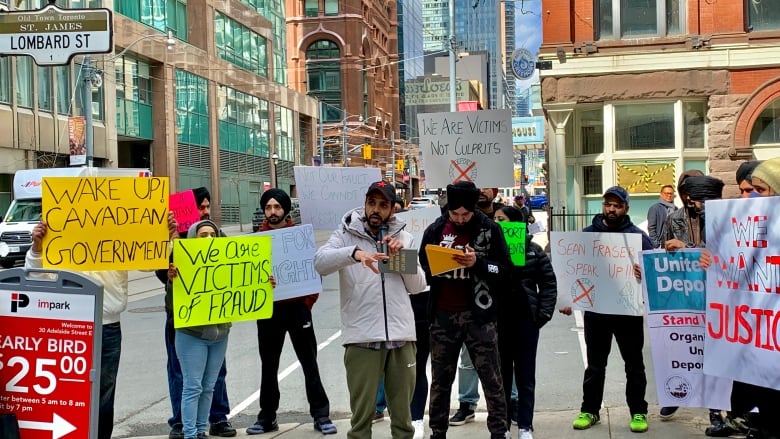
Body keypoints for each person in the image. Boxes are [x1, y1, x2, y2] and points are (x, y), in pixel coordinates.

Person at [26, 214, 178, 439]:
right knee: (67, 393)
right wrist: (37, 248)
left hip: (108, 326)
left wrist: (163, 237)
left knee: (104, 396)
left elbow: (150, 262)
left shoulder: (117, 231)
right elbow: (37, 276)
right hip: (70, 326)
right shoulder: (62, 232)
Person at [314, 180, 427, 439]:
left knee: (403, 422)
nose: (376, 209)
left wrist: (400, 258)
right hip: (362, 338)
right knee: (361, 422)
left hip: (401, 338)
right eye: (371, 203)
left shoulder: (404, 237)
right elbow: (320, 262)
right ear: (365, 204)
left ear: (392, 210)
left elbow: (418, 286)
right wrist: (354, 254)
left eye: (383, 205)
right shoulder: (344, 234)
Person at [419, 181, 512, 439]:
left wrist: (478, 263)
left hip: (479, 316)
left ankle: (498, 431)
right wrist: (438, 265)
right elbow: (423, 261)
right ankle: (438, 431)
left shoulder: (489, 229)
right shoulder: (436, 229)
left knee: (492, 378)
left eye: (465, 214)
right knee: (440, 380)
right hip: (442, 315)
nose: (460, 219)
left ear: (473, 210)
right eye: (455, 214)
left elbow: (504, 270)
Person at [247, 188, 336, 435]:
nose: (272, 212)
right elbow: (246, 280)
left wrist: (307, 302)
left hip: (298, 309)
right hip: (269, 312)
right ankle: (267, 416)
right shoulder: (254, 240)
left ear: (286, 209)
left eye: (277, 207)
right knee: (268, 367)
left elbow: (314, 271)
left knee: (310, 364)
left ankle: (321, 415)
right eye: (268, 207)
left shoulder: (300, 237)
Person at [566, 186, 653, 434]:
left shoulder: (638, 237)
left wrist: (642, 273)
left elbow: (653, 271)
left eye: (617, 205)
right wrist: (567, 299)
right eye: (608, 204)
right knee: (595, 366)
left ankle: (638, 412)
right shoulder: (587, 235)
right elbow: (574, 270)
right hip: (597, 312)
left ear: (626, 208)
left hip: (628, 312)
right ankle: (590, 410)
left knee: (634, 365)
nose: (611, 209)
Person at [156, 187, 235, 439]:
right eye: (203, 235)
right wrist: (171, 272)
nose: (208, 238)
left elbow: (242, 282)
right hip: (189, 331)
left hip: (219, 332)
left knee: (209, 384)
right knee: (191, 384)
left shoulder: (226, 258)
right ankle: (187, 430)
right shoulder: (179, 254)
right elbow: (170, 291)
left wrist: (263, 282)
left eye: (212, 234)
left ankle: (202, 429)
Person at [659, 176, 733, 437]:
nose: (692, 202)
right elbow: (663, 252)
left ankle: (717, 412)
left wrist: (688, 247)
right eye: (688, 196)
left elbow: (727, 254)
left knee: (715, 356)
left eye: (699, 199)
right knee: (681, 350)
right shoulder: (674, 218)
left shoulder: (726, 219)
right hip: (684, 295)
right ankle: (676, 393)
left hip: (718, 298)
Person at [494, 206, 557, 439]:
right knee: (500, 377)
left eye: (501, 219)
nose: (497, 223)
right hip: (498, 323)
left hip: (525, 323)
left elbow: (549, 284)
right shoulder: (490, 251)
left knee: (525, 377)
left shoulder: (533, 251)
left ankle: (525, 425)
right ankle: (502, 425)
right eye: (495, 219)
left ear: (515, 224)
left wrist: (542, 315)